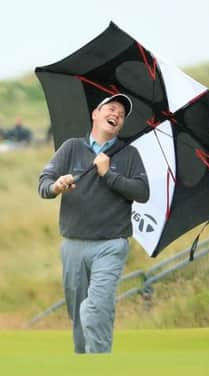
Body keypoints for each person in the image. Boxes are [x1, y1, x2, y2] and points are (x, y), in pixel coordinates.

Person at [38, 93, 149, 354]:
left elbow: (142, 192)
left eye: (121, 116)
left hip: (111, 245)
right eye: (111, 109)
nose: (117, 116)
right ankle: (84, 362)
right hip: (73, 244)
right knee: (78, 314)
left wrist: (108, 174)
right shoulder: (72, 148)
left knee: (96, 306)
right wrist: (56, 186)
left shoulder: (129, 154)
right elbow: (43, 183)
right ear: (95, 114)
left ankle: (98, 365)